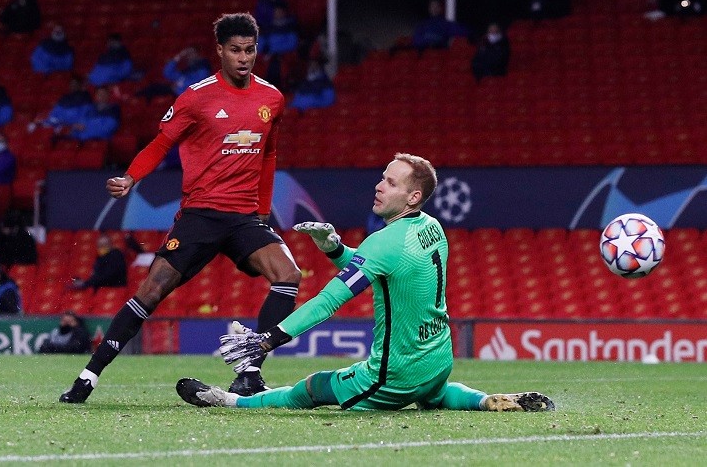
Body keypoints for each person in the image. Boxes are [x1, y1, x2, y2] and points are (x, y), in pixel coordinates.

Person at [176, 153, 555, 413]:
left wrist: (266, 340)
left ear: (413, 195)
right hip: (439, 361)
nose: (378, 186)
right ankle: (483, 400)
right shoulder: (432, 227)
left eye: (390, 182)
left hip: (395, 374)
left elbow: (328, 301)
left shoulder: (383, 243)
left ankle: (229, 401)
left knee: (314, 387)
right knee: (435, 395)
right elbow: (384, 266)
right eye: (381, 178)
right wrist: (335, 248)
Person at [59, 13, 301, 404]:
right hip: (201, 215)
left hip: (243, 218)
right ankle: (88, 375)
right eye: (235, 50)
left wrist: (260, 209)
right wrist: (131, 179)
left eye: (250, 50)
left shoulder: (271, 98)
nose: (244, 58)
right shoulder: (196, 97)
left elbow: (268, 155)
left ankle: (251, 373)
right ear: (219, 51)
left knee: (288, 274)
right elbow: (159, 144)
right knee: (150, 292)